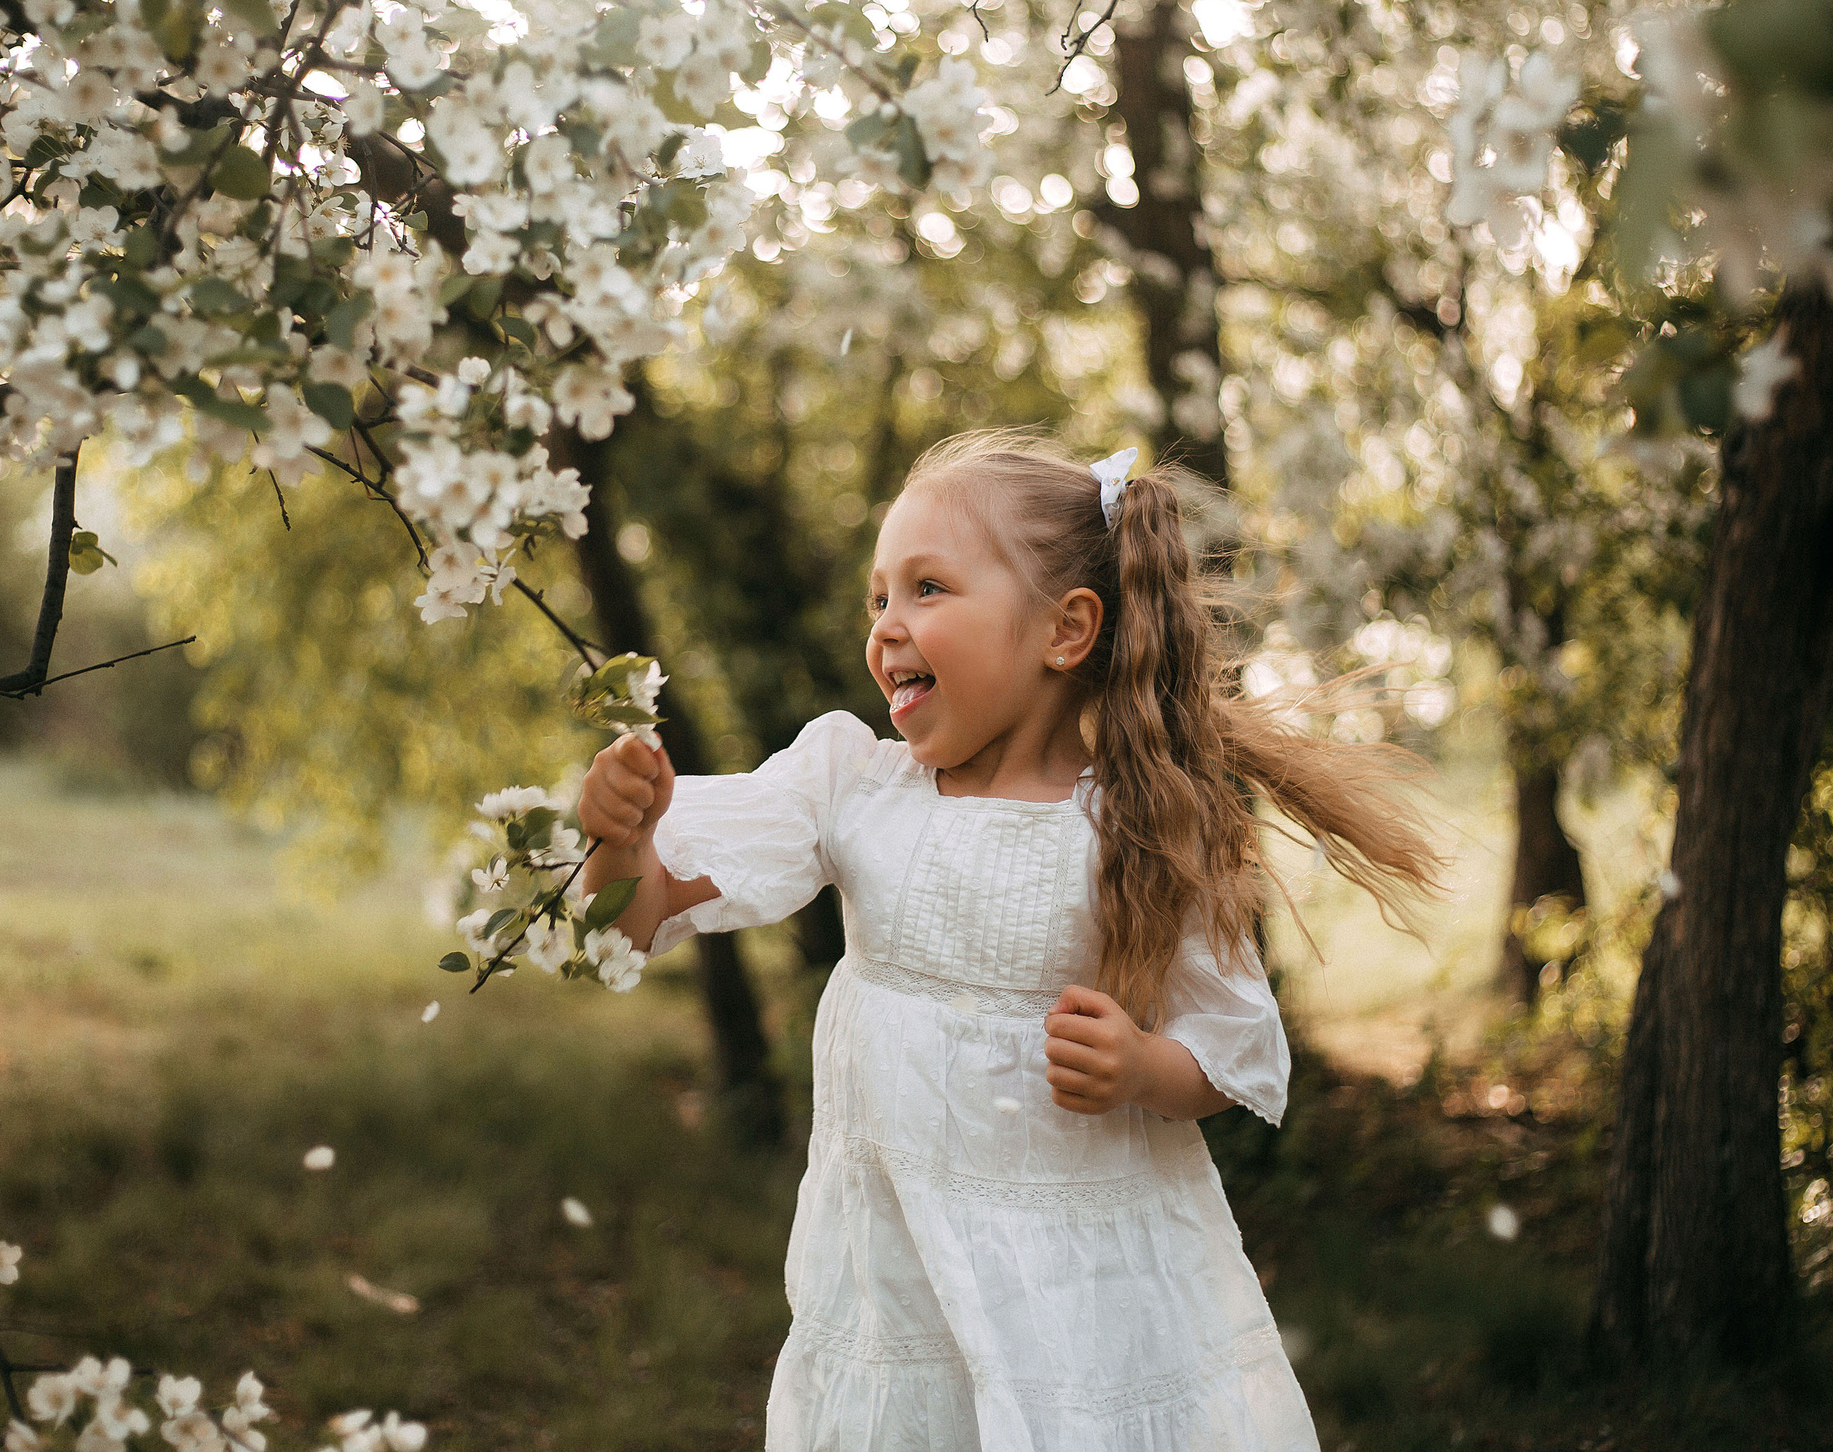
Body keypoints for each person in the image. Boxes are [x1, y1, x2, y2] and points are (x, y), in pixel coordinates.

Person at [575, 428, 1443, 1451]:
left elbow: (1237, 1049)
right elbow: (640, 921)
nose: (888, 626)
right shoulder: (850, 786)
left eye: (928, 589)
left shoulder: (1133, 823)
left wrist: (1143, 1067)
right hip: (899, 1287)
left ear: (1064, 631)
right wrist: (621, 841)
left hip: (1082, 1294)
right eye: (878, 597)